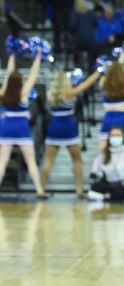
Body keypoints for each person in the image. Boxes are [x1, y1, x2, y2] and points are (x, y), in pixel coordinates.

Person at [0, 54, 46, 198]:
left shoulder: (4, 91)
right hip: (22, 128)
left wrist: (11, 58)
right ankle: (39, 190)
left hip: (7, 127)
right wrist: (37, 59)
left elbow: (9, 73)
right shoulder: (23, 92)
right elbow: (33, 74)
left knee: (2, 161)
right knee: (31, 161)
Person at [41, 69, 100, 198]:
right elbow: (85, 85)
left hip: (54, 127)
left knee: (48, 161)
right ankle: (79, 190)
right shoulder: (69, 93)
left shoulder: (50, 94)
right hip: (69, 127)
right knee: (77, 160)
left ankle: (41, 189)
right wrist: (97, 72)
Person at [88, 127, 124, 201]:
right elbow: (94, 171)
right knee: (95, 187)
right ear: (109, 138)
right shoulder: (103, 153)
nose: (115, 138)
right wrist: (96, 175)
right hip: (107, 183)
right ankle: (108, 196)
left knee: (120, 189)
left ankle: (105, 197)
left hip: (122, 184)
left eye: (118, 135)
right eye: (113, 136)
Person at [99, 56, 124, 149]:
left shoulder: (104, 83)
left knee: (103, 151)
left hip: (108, 119)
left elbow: (105, 78)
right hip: (123, 118)